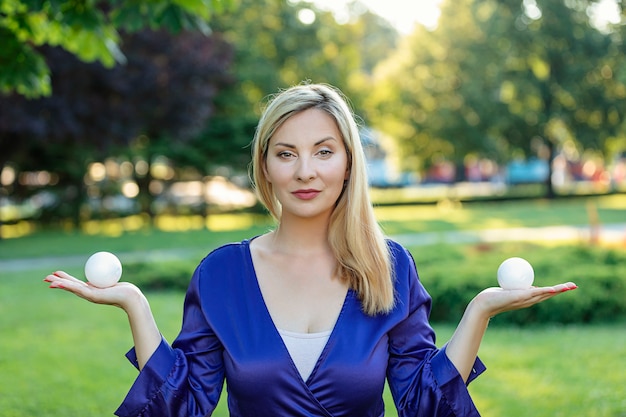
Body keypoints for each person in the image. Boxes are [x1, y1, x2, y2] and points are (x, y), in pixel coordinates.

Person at [44, 83, 577, 417]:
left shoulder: (388, 268)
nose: (305, 171)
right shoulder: (222, 274)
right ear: (265, 166)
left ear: (347, 163)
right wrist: (134, 303)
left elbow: (423, 402)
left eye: (323, 151)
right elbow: (182, 405)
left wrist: (480, 310)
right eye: (286, 153)